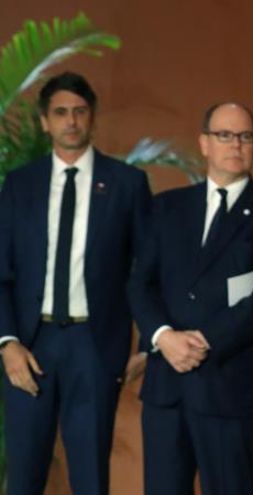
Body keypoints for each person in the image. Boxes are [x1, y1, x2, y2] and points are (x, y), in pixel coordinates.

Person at [128, 102, 253, 495]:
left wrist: (203, 339)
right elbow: (140, 282)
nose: (236, 144)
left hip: (230, 387)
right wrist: (163, 337)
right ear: (204, 143)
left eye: (245, 136)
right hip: (167, 386)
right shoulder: (166, 208)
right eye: (225, 135)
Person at [0, 71, 151, 495]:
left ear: (92, 118)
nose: (71, 121)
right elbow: (1, 271)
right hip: (32, 343)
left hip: (94, 345)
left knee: (90, 477)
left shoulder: (126, 184)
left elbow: (145, 271)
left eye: (80, 112)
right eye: (61, 113)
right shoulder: (19, 185)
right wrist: (7, 341)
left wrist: (145, 344)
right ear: (45, 122)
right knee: (24, 476)